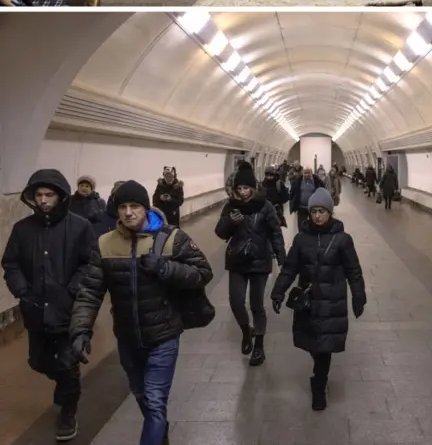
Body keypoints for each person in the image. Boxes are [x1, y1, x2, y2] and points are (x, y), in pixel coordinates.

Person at [70, 180, 213, 445]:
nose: (128, 212)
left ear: (146, 208)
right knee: (143, 398)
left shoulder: (172, 239)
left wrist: (166, 269)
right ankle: (160, 434)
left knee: (155, 400)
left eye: (134, 206)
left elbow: (203, 273)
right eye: (122, 207)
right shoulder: (105, 244)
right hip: (127, 337)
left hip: (164, 334)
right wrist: (80, 329)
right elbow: (90, 291)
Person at [2, 169, 95, 443]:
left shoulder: (80, 227)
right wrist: (21, 290)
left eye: (49, 195)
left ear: (61, 197)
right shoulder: (23, 230)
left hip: (68, 308)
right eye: (39, 195)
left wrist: (72, 290)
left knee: (67, 363)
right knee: (37, 361)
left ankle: (68, 412)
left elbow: (90, 262)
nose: (43, 200)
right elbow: (11, 263)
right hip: (35, 308)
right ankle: (67, 386)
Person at [271, 187, 366, 411]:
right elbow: (290, 268)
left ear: (330, 212)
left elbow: (354, 271)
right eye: (314, 211)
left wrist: (358, 296)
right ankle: (319, 373)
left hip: (332, 301)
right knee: (314, 344)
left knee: (324, 348)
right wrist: (278, 291)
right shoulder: (301, 239)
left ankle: (319, 386)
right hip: (309, 303)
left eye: (322, 211)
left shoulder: (343, 240)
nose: (317, 215)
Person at [214, 162, 285, 366]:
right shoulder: (230, 206)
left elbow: (275, 233)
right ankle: (246, 330)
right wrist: (231, 222)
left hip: (260, 260)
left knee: (256, 305)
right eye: (240, 189)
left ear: (253, 188)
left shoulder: (265, 206)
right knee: (236, 302)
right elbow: (220, 232)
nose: (243, 193)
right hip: (237, 260)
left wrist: (283, 260)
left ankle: (259, 347)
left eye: (246, 188)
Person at [289, 166, 324, 231]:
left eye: (308, 172)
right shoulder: (298, 181)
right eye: (305, 173)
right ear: (302, 173)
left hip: (313, 207)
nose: (307, 174)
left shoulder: (316, 181)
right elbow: (293, 192)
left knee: (314, 225)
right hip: (301, 208)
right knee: (301, 225)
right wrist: (293, 203)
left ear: (312, 173)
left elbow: (322, 189)